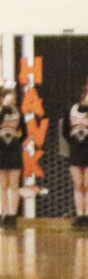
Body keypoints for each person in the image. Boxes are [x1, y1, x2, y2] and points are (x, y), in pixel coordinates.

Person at [0, 85, 24, 227]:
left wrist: (18, 141)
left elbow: (25, 130)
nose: (12, 101)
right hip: (0, 148)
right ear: (1, 98)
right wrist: (4, 107)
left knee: (14, 184)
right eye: (8, 97)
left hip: (14, 149)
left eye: (13, 98)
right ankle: (4, 213)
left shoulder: (18, 112)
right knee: (3, 185)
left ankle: (12, 214)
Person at [65, 96, 88, 232]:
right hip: (75, 152)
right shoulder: (72, 110)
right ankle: (80, 214)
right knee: (78, 184)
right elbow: (65, 131)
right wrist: (73, 143)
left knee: (87, 185)